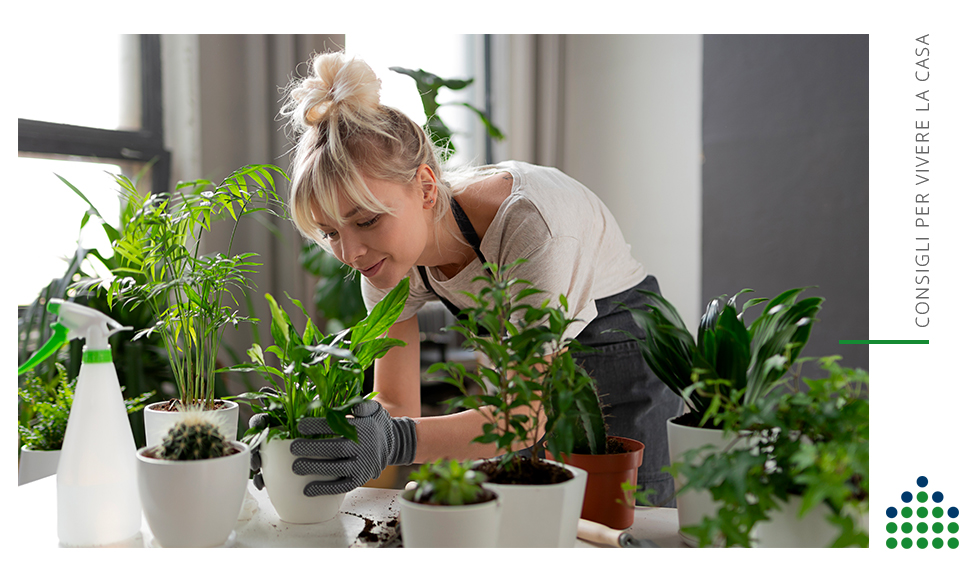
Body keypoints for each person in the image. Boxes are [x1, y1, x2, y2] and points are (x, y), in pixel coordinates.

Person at [250, 51, 683, 507]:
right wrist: (309, 439)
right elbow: (397, 410)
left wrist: (393, 441)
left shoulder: (529, 227)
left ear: (425, 187)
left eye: (368, 220)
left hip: (619, 352)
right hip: (530, 375)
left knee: (624, 525)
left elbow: (522, 416)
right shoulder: (381, 264)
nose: (350, 253)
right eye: (331, 232)